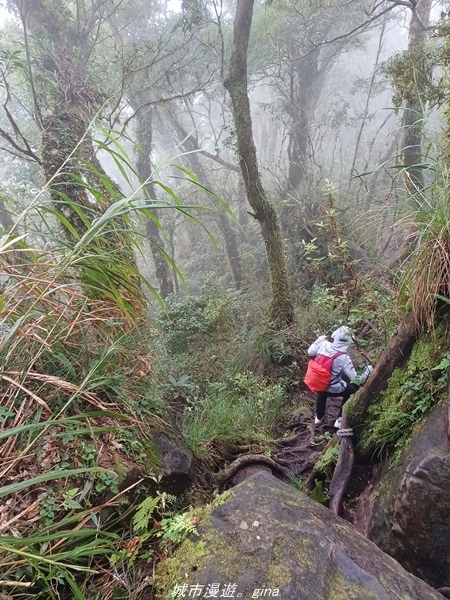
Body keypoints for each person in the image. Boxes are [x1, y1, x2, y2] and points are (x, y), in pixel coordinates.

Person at [307, 325, 372, 429]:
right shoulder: (344, 358)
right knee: (352, 390)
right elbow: (355, 378)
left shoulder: (324, 344)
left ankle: (318, 418)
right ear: (350, 341)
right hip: (335, 389)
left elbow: (310, 352)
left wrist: (319, 340)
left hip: (319, 383)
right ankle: (339, 419)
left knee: (322, 388)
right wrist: (367, 370)